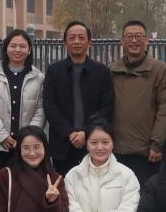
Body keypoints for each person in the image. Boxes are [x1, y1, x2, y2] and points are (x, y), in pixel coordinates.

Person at [43, 21, 114, 175]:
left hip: (94, 143)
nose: (76, 41)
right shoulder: (54, 71)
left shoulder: (102, 72)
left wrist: (86, 132)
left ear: (89, 42)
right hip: (62, 144)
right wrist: (69, 132)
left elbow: (107, 107)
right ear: (65, 42)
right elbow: (49, 106)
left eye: (81, 37)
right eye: (72, 37)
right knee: (64, 185)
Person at [109, 20, 166, 185]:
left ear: (146, 40)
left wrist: (157, 144)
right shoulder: (112, 70)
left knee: (146, 195)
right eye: (129, 36)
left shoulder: (160, 70)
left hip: (147, 153)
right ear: (122, 41)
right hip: (116, 151)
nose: (134, 40)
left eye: (138, 36)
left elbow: (165, 110)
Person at [0, 29, 46, 183]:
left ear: (29, 50)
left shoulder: (38, 78)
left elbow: (41, 109)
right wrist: (2, 136)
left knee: (25, 189)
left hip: (26, 148)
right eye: (13, 45)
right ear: (6, 48)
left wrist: (28, 138)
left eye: (22, 46)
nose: (17, 50)